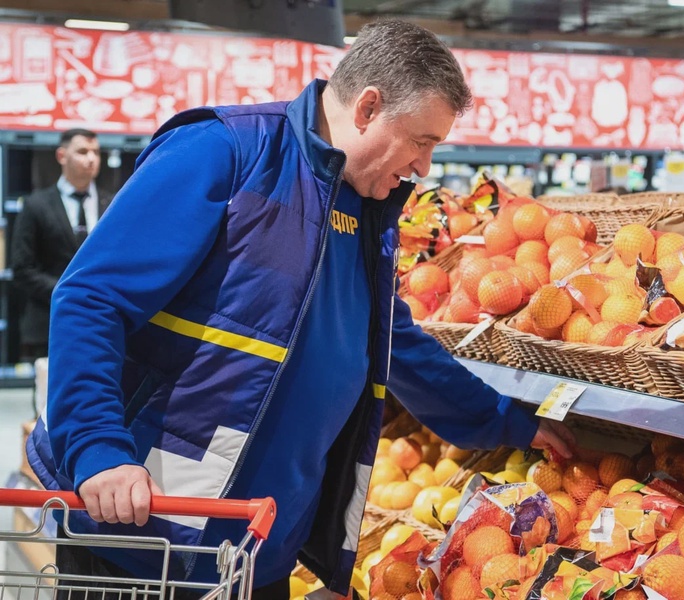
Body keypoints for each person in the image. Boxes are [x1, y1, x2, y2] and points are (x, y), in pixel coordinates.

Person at [27, 20, 576, 600]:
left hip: (257, 548)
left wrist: (512, 422)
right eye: (421, 141)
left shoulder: (369, 212)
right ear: (367, 108)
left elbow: (394, 344)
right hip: (143, 531)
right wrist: (97, 448)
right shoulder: (225, 153)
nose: (424, 168)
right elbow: (91, 298)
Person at [10, 129, 111, 363]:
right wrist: (67, 293)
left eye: (96, 152)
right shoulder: (36, 205)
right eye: (83, 151)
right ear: (61, 155)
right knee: (49, 397)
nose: (91, 159)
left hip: (102, 323)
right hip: (49, 322)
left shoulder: (112, 204)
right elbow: (22, 268)